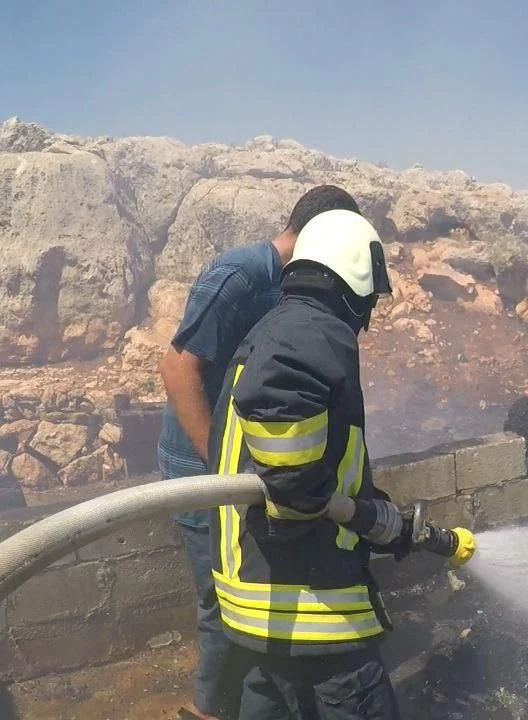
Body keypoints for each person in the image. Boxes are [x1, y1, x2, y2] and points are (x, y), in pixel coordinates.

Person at [206, 208, 475, 719]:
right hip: (312, 605)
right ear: (356, 280)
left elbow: (324, 468)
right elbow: (278, 407)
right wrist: (300, 497)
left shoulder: (275, 326)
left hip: (260, 607)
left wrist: (377, 516)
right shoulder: (313, 330)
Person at [158, 185, 362, 719]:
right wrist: (220, 469)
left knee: (247, 596)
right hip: (205, 471)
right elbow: (178, 366)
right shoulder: (243, 275)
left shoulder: (295, 286)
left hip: (243, 471)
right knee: (219, 605)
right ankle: (208, 711)